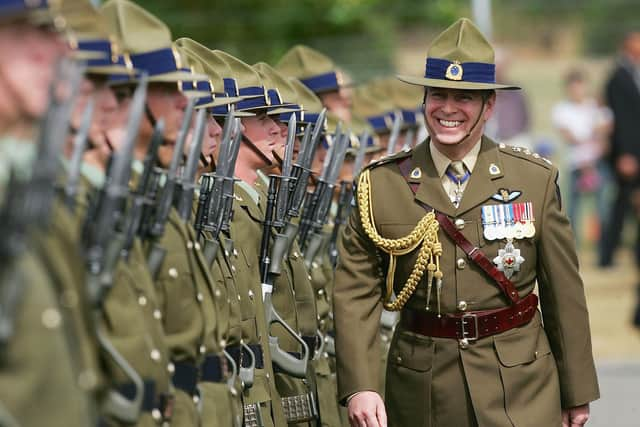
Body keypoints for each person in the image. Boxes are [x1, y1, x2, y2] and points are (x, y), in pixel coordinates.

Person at [333, 18, 599, 427]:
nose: (449, 109)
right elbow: (355, 293)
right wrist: (361, 385)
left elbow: (563, 291)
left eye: (465, 97)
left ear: (489, 105)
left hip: (522, 385)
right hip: (423, 390)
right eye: (438, 94)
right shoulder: (381, 183)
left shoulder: (532, 179)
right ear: (423, 99)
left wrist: (576, 390)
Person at [551, 68, 612, 247]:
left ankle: (604, 245)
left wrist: (591, 136)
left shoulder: (595, 106)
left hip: (596, 162)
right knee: (573, 209)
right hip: (575, 163)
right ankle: (573, 244)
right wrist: (591, 134)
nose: (577, 91)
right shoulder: (561, 109)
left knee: (602, 208)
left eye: (580, 86)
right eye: (573, 87)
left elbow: (605, 127)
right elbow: (569, 134)